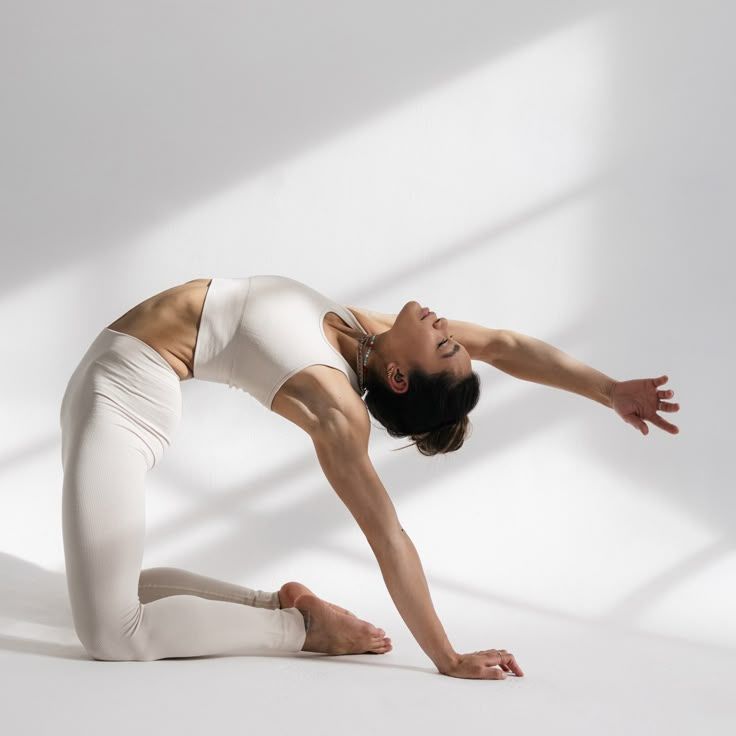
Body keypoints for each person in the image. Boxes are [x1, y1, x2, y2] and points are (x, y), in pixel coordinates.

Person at [60, 274, 680, 679]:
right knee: (134, 590)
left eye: (441, 343)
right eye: (448, 339)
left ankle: (299, 629)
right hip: (114, 381)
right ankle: (277, 603)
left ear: (401, 379)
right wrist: (608, 389)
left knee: (113, 637)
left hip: (122, 397)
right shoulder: (362, 333)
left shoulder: (335, 404)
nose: (444, 326)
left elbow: (388, 535)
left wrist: (448, 656)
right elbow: (501, 343)